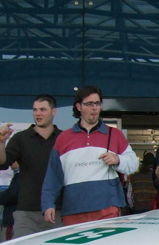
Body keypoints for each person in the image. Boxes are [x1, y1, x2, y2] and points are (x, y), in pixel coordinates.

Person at [41, 85, 138, 226]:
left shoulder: (114, 134)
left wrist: (118, 159)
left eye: (97, 103)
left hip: (107, 208)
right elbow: (53, 176)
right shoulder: (63, 138)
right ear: (79, 107)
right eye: (89, 104)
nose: (95, 108)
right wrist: (48, 204)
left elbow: (134, 164)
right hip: (73, 210)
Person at [0, 94, 62, 237]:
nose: (38, 113)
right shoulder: (20, 138)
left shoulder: (63, 138)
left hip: (57, 211)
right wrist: (0, 142)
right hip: (26, 213)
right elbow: (0, 163)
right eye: (35, 110)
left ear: (53, 112)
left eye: (43, 109)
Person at [0, 162, 20, 242]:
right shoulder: (17, 175)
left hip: (14, 216)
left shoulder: (20, 176)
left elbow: (11, 195)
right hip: (12, 217)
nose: (11, 163)